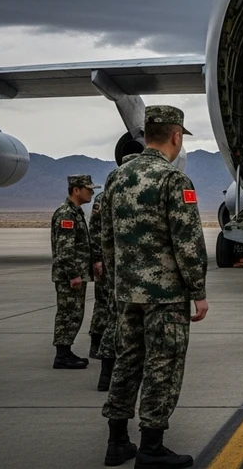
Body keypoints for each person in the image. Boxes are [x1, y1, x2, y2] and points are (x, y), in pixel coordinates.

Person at [100, 106, 209, 468]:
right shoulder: (173, 180)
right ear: (176, 135)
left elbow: (107, 239)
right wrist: (198, 291)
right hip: (165, 295)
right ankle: (151, 447)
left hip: (127, 291)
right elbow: (188, 242)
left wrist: (117, 282)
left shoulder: (117, 178)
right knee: (163, 365)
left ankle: (117, 442)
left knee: (127, 362)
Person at [90, 153, 139, 392]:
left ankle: (107, 374)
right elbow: (98, 233)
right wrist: (98, 259)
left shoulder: (108, 194)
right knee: (122, 320)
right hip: (128, 269)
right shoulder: (138, 193)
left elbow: (103, 235)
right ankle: (112, 374)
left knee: (114, 317)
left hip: (116, 267)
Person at [50, 174, 99, 370]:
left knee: (75, 314)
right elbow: (65, 250)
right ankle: (62, 355)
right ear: (76, 190)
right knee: (67, 314)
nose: (92, 192)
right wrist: (73, 274)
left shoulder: (76, 213)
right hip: (68, 276)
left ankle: (66, 352)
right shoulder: (66, 214)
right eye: (88, 188)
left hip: (76, 274)